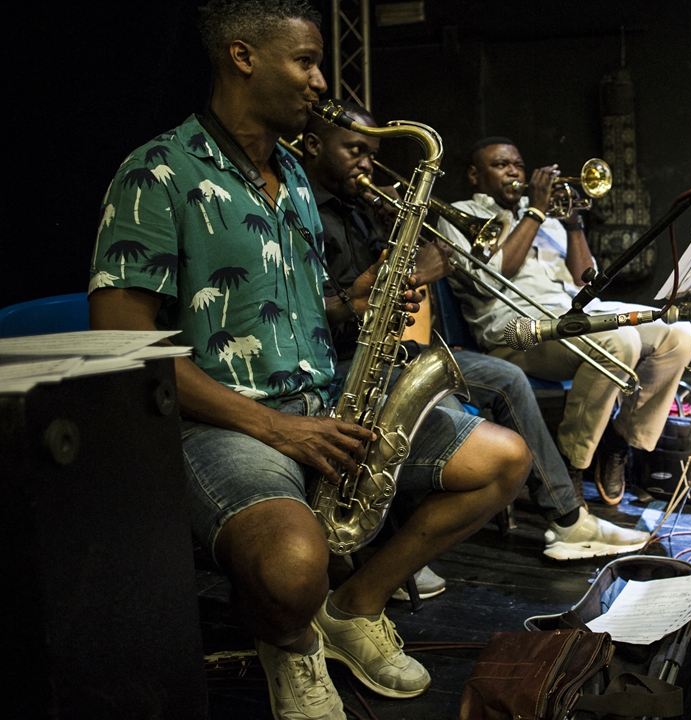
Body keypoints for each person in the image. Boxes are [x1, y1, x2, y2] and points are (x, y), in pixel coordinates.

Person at [87, 3, 530, 719]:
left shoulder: (293, 172)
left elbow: (285, 305)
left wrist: (349, 304)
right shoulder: (157, 172)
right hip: (219, 425)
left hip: (325, 402)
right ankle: (291, 644)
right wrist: (276, 429)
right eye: (305, 61)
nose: (321, 81)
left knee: (503, 461)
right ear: (242, 57)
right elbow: (118, 348)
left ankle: (353, 610)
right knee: (296, 566)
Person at [297, 102, 651, 563]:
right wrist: (415, 276)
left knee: (506, 378)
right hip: (339, 360)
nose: (366, 164)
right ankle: (382, 544)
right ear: (312, 146)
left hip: (388, 349)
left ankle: (567, 518)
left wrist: (397, 234)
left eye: (371, 153)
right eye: (355, 150)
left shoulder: (359, 210)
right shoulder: (302, 214)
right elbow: (316, 310)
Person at [438, 137, 691, 505]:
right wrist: (536, 214)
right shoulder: (459, 215)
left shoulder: (546, 216)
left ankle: (618, 440)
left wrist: (573, 225)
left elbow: (582, 278)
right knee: (619, 342)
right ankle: (571, 461)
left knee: (679, 333)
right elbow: (496, 276)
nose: (513, 171)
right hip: (517, 333)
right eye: (500, 165)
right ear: (475, 175)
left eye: (518, 164)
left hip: (572, 316)